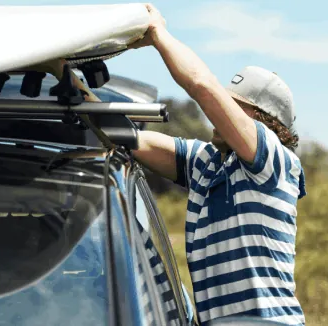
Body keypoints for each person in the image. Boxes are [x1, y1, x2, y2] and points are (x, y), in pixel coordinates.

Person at [127, 3, 307, 325]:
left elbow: (201, 86)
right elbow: (134, 141)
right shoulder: (208, 163)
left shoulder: (275, 163)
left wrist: (158, 34)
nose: (220, 111)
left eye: (235, 106)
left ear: (264, 121)